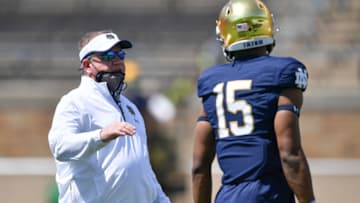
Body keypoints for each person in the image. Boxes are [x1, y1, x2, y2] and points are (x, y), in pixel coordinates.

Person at [192, 0, 316, 203]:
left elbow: (199, 167)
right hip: (269, 195)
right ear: (265, 27)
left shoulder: (211, 81)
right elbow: (290, 154)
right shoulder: (283, 71)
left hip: (228, 197)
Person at [48, 30, 171, 203]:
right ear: (87, 64)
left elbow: (142, 169)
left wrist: (161, 200)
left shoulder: (130, 107)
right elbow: (60, 147)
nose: (116, 61)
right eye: (106, 56)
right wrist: (101, 136)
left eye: (120, 54)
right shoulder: (74, 102)